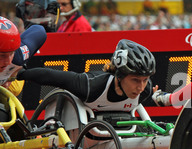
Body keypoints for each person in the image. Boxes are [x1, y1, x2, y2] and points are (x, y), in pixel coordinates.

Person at [17, 39, 155, 112]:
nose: (141, 87)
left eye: (145, 80)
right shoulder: (90, 86)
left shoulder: (146, 90)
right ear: (119, 75)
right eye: (135, 80)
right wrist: (18, 74)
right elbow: (50, 76)